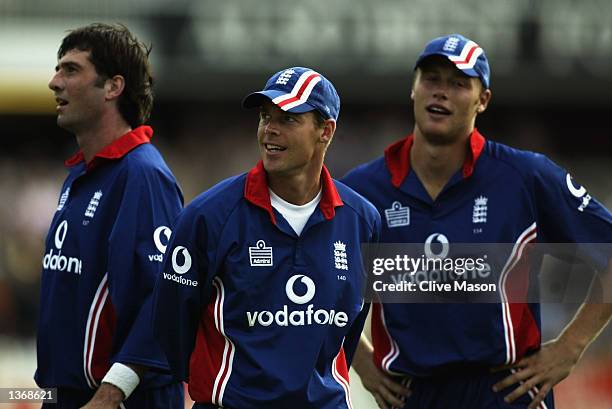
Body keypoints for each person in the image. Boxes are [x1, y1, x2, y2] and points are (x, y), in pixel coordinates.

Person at [342, 33, 612, 409]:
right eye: (432, 79)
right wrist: (361, 362)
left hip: (507, 392)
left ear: (482, 100)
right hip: (411, 395)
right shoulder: (362, 189)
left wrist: (570, 347)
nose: (441, 92)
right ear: (414, 89)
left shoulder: (525, 176)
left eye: (458, 84)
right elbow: (320, 278)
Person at [151, 66, 381, 408]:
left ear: (325, 131)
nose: (269, 129)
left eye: (288, 118)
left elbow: (348, 330)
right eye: (264, 116)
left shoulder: (363, 220)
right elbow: (172, 329)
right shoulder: (208, 216)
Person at [36, 23, 184, 408]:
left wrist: (110, 392)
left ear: (113, 87)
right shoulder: (80, 176)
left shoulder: (142, 176)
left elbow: (165, 298)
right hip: (67, 396)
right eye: (58, 69)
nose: (54, 82)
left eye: (70, 70)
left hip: (121, 400)